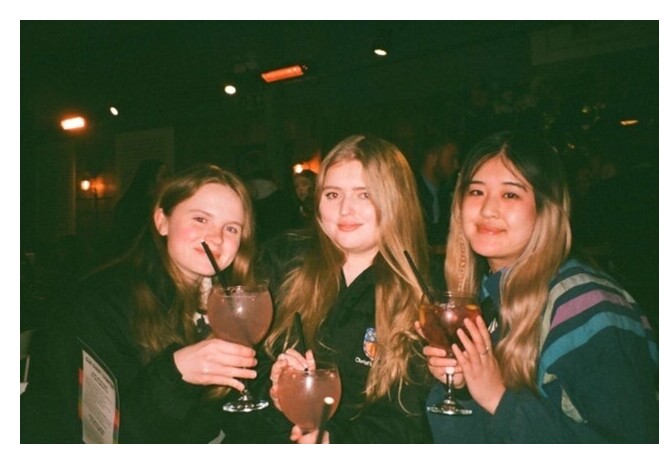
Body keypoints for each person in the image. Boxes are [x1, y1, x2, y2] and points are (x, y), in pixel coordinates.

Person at [422, 131, 658, 443]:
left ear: (546, 208)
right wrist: (464, 388)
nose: (487, 209)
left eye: (510, 195)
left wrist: (499, 398)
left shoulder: (587, 307)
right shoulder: (485, 299)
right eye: (476, 192)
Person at [21, 164, 259, 443]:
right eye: (200, 219)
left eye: (231, 228)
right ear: (162, 221)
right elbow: (103, 436)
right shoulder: (96, 304)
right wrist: (176, 374)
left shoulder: (229, 304)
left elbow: (225, 417)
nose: (216, 238)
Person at [229, 135, 433, 444]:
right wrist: (271, 389)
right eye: (333, 194)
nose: (345, 210)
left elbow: (409, 422)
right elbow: (235, 375)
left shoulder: (420, 293)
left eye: (365, 195)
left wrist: (336, 442)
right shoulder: (282, 258)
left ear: (395, 199)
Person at [414, 134, 460, 292]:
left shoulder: (445, 196)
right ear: (433, 158)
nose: (456, 165)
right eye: (451, 158)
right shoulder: (410, 193)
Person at [104, 159, 169, 262]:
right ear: (150, 179)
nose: (167, 181)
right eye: (163, 176)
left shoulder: (160, 203)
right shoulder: (134, 204)